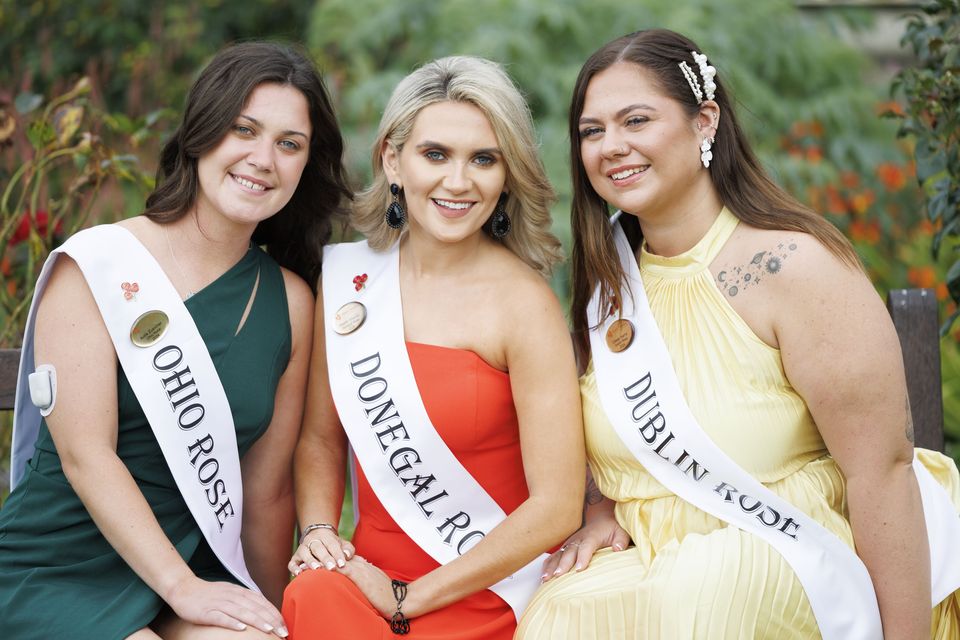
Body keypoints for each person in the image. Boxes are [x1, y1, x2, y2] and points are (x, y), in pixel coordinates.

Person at [516, 29, 960, 640]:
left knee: (707, 597)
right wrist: (601, 507)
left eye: (636, 120)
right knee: (561, 612)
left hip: (788, 550)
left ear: (705, 122)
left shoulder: (793, 267)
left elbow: (881, 470)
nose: (611, 147)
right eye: (592, 131)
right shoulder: (608, 277)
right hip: (656, 559)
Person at [0, 41, 351, 640]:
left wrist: (269, 616)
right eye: (244, 129)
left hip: (196, 568)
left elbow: (266, 497)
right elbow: (89, 458)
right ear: (201, 132)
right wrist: (182, 588)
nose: (263, 159)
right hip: (58, 566)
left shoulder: (292, 302)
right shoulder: (96, 264)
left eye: (289, 144)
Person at [280, 55, 585, 639]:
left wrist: (410, 598)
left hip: (485, 591)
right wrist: (319, 530)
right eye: (436, 154)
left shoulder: (525, 305)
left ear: (507, 174)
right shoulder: (348, 283)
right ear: (394, 159)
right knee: (312, 593)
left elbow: (556, 506)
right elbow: (320, 437)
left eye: (484, 160)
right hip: (366, 583)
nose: (458, 182)